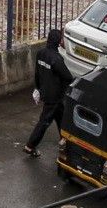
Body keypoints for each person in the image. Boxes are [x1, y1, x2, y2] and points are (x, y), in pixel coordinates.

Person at [21, 26, 73, 156]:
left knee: (61, 117)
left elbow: (37, 74)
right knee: (44, 122)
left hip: (46, 93)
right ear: (58, 42)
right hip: (55, 97)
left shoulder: (41, 54)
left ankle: (64, 140)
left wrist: (38, 88)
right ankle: (30, 145)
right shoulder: (57, 59)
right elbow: (68, 77)